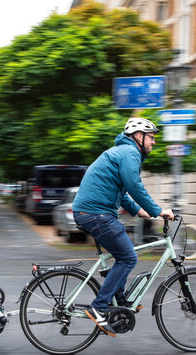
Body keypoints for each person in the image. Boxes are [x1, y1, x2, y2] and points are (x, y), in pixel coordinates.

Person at [72, 117, 174, 337]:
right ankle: (98, 308)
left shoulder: (122, 152)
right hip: (95, 214)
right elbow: (133, 185)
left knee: (123, 255)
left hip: (94, 213)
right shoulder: (130, 153)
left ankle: (121, 300)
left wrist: (141, 212)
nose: (153, 142)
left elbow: (124, 192)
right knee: (129, 258)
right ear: (139, 136)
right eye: (152, 138)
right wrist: (157, 210)